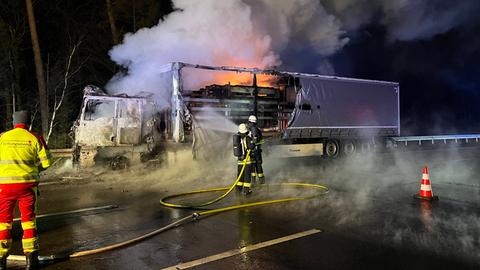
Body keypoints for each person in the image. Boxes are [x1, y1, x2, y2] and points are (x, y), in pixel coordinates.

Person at [0, 111, 52, 270]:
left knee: (3, 222)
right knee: (29, 221)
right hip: (27, 187)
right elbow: (48, 162)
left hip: (4, 187)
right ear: (28, 123)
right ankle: (31, 260)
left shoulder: (2, 137)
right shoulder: (35, 137)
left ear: (13, 123)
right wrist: (36, 169)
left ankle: (1, 259)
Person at [233, 123, 255, 195]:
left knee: (240, 176)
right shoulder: (247, 138)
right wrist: (253, 140)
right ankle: (246, 191)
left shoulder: (238, 138)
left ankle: (238, 190)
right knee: (247, 177)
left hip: (240, 161)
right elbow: (251, 147)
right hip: (247, 161)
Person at [246, 115, 265, 184]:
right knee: (258, 166)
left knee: (254, 166)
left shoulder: (253, 129)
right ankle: (261, 181)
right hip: (257, 151)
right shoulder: (257, 130)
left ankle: (254, 181)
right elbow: (261, 140)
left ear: (250, 122)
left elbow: (254, 141)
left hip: (254, 151)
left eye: (249, 122)